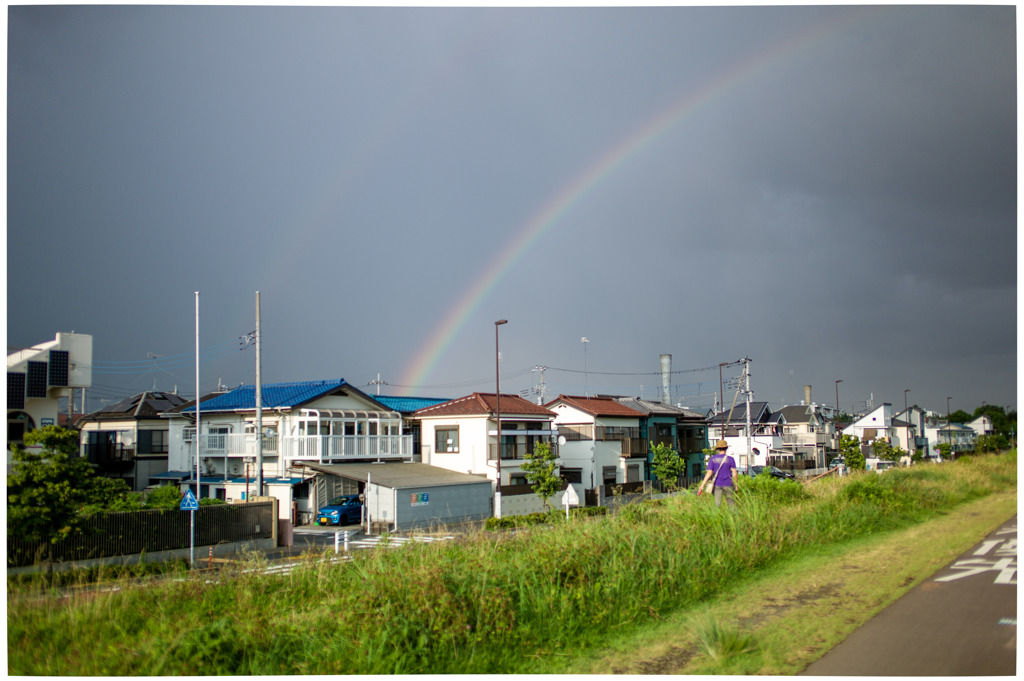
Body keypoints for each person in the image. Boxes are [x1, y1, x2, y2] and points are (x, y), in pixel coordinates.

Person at [700, 439, 738, 508]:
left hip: (717, 484)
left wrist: (702, 485)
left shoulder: (713, 459)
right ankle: (735, 518)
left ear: (717, 449)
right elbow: (734, 473)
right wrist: (736, 485)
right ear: (726, 448)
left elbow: (709, 472)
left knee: (716, 505)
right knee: (731, 504)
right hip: (728, 484)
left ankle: (715, 518)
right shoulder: (730, 459)